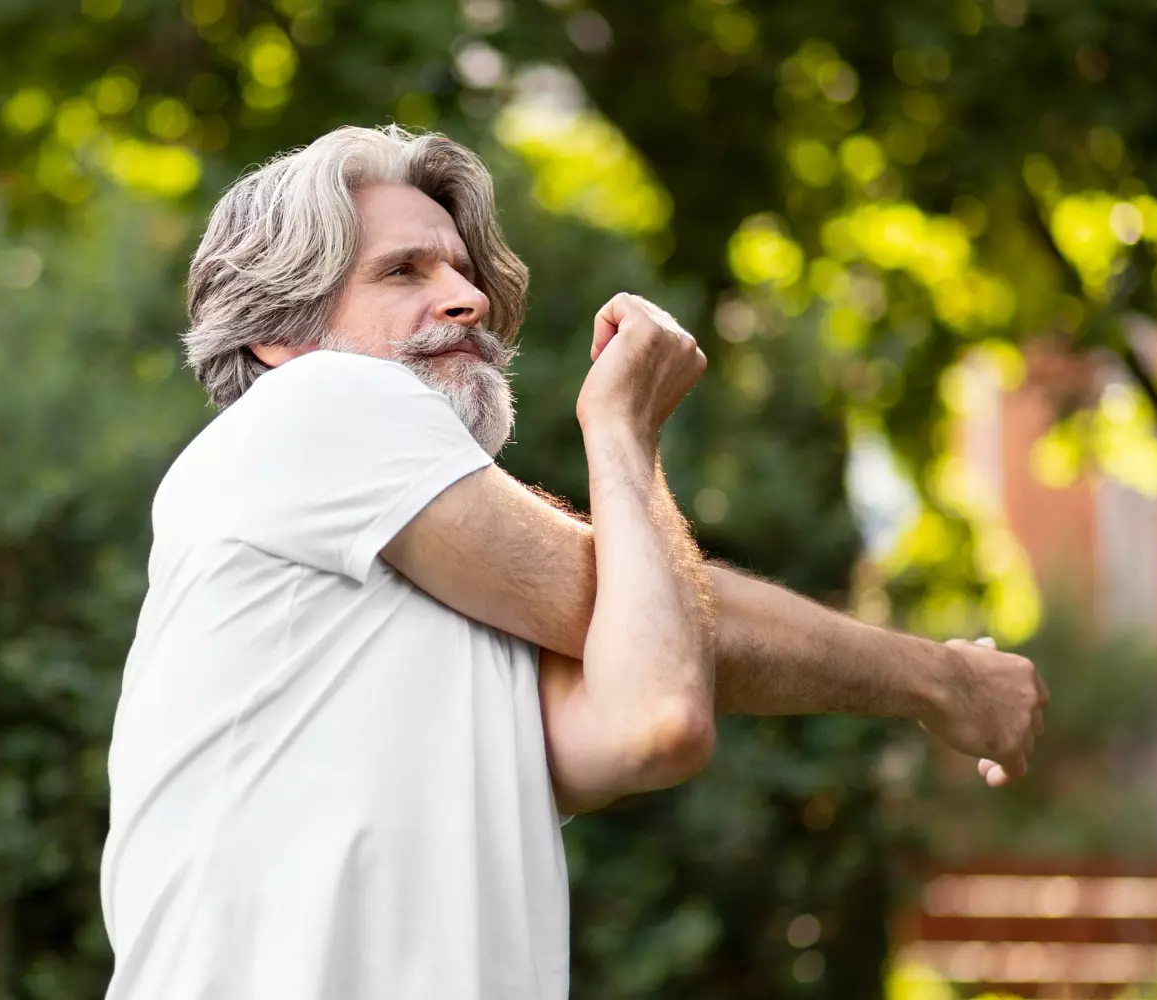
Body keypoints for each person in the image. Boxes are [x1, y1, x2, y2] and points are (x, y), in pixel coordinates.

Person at [99, 124, 1047, 1000]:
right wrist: (623, 430)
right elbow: (623, 599)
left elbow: (655, 712)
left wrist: (942, 684)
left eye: (463, 269)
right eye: (403, 271)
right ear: (282, 335)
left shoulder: (424, 600)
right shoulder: (318, 402)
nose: (466, 297)